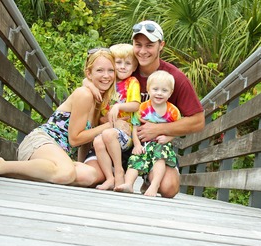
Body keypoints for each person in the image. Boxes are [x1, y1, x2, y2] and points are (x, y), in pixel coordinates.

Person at [0, 49, 117, 187]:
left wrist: (82, 163)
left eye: (111, 70)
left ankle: (49, 171)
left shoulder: (99, 101)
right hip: (41, 142)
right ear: (89, 73)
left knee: (89, 175)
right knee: (66, 174)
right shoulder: (84, 94)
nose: (106, 76)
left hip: (57, 154)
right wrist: (107, 126)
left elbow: (84, 142)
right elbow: (75, 139)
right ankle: (0, 166)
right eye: (100, 70)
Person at [85, 20, 205, 198]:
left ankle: (148, 178)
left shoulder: (173, 78)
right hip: (116, 141)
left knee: (169, 188)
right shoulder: (124, 67)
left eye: (149, 45)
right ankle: (115, 173)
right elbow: (93, 71)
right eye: (138, 45)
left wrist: (159, 129)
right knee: (89, 176)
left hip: (150, 147)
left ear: (161, 46)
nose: (142, 51)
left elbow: (198, 120)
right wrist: (88, 84)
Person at [115, 70, 180, 196]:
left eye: (164, 90)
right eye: (155, 89)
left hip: (161, 144)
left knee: (159, 159)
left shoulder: (173, 111)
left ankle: (154, 185)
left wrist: (168, 138)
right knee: (135, 159)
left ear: (170, 93)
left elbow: (177, 129)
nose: (159, 93)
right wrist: (137, 144)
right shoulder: (143, 108)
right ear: (148, 90)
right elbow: (135, 127)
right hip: (144, 144)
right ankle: (128, 184)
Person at [93, 44, 141, 190]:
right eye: (118, 62)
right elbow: (101, 115)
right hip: (111, 129)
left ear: (134, 67)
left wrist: (118, 106)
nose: (122, 67)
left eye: (127, 63)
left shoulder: (132, 82)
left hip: (127, 133)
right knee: (97, 141)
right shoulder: (109, 84)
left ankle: (119, 171)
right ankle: (110, 177)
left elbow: (135, 105)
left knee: (107, 134)